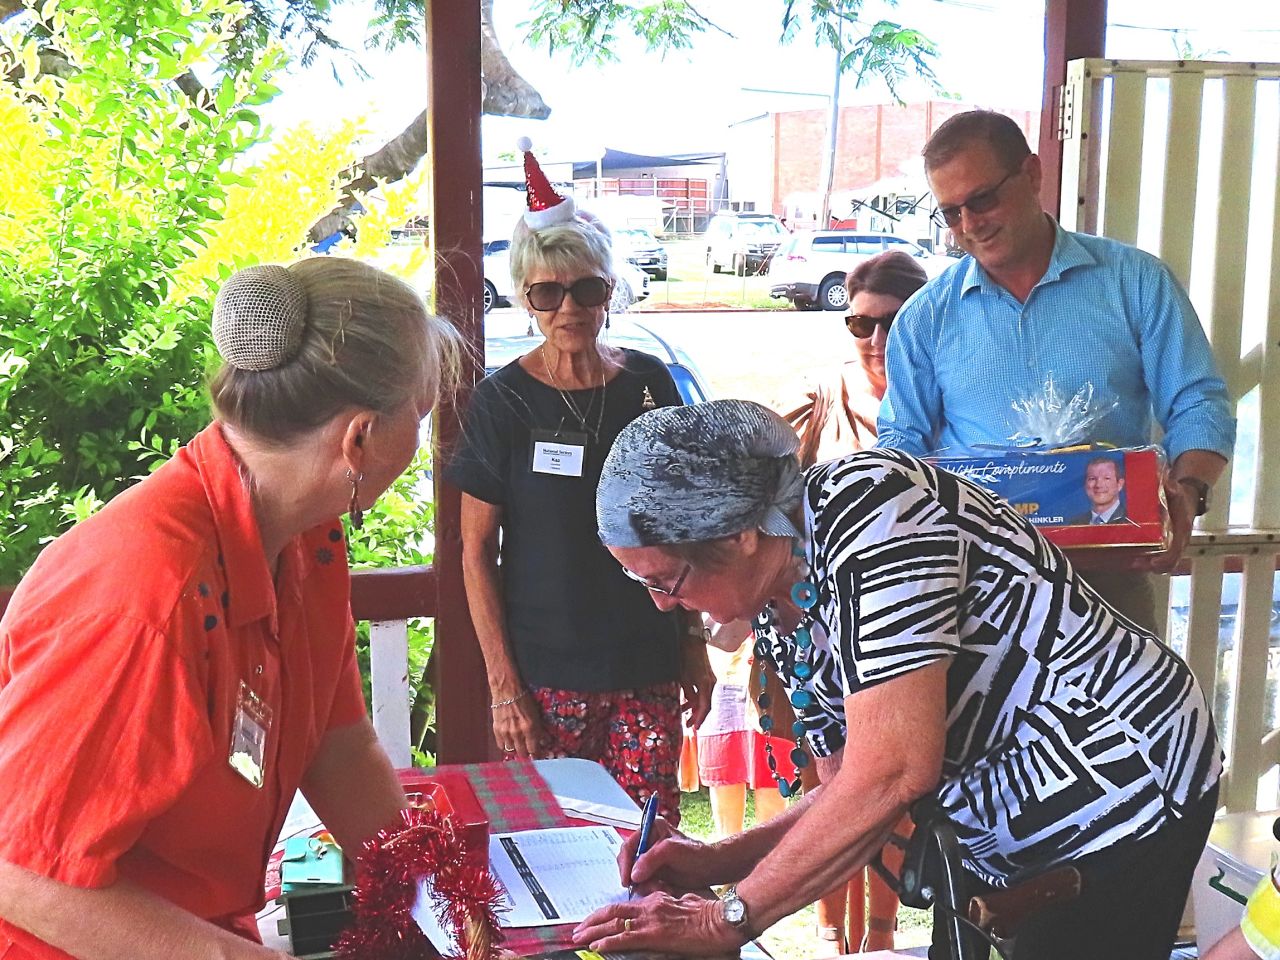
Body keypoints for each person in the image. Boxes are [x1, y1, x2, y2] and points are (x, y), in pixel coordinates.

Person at [577, 399, 1220, 960]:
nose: (661, 604)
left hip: (1124, 778)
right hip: (995, 807)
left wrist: (724, 920)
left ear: (742, 536)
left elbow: (891, 773)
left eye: (665, 581)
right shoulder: (777, 594)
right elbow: (847, 785)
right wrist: (719, 859)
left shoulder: (877, 513)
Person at [0, 258, 461, 959]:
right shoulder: (143, 594)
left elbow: (337, 746)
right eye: (420, 419)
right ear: (359, 438)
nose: (421, 444)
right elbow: (19, 870)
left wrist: (434, 898)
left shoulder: (309, 539)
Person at [876, 109, 1236, 633]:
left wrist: (1188, 492)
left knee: (1121, 716)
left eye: (982, 199)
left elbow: (1199, 401)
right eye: (951, 213)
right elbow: (903, 443)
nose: (970, 225)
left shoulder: (1134, 283)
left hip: (1109, 583)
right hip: (975, 594)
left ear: (1032, 175)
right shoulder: (925, 318)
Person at [447, 141, 712, 825]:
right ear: (525, 298)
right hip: (544, 680)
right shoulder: (502, 401)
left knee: (646, 849)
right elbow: (475, 552)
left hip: (645, 670)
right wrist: (504, 688)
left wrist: (694, 649)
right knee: (548, 847)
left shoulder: (650, 384)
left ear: (609, 292)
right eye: (547, 292)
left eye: (587, 288)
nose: (569, 308)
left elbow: (682, 526)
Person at [778, 250, 927, 953]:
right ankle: (832, 934)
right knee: (830, 789)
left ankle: (882, 936)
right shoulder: (823, 391)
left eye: (891, 323)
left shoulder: (942, 395)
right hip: (821, 629)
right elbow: (762, 473)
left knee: (898, 793)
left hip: (914, 629)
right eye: (858, 324)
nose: (874, 340)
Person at [1067, 456, 1129, 526]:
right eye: (1092, 478)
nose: (1098, 485)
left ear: (1120, 484)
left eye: (1107, 478)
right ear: (1085, 484)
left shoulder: (1130, 521)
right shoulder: (1075, 523)